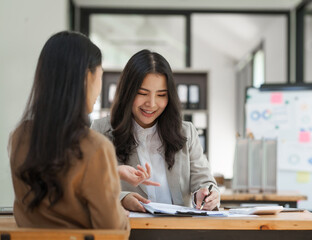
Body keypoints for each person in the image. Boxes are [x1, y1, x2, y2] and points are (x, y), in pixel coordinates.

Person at [8, 31, 128, 230]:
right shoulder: (96, 147)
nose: (99, 88)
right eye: (100, 76)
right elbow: (112, 232)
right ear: (86, 78)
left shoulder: (19, 137)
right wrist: (120, 215)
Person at [91, 49, 220, 212]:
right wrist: (122, 198)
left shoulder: (186, 132)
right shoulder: (101, 131)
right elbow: (89, 185)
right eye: (142, 93)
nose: (151, 104)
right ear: (128, 92)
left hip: (180, 231)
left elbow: (204, 181)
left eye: (161, 95)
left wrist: (208, 193)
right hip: (130, 231)